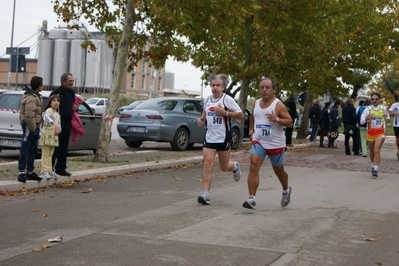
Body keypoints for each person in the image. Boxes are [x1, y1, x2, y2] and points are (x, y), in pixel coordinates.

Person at [242, 77, 292, 210]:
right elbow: (253, 115)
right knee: (254, 165)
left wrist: (277, 119)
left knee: (279, 171)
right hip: (259, 141)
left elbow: (290, 122)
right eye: (262, 87)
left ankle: (286, 190)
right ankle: (251, 198)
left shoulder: (278, 105)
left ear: (273, 90)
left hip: (275, 143)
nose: (264, 90)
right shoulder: (255, 103)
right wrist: (251, 129)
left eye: (267, 87)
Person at [196, 74, 243, 205]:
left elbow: (240, 114)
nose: (215, 88)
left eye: (218, 85)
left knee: (224, 167)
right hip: (209, 137)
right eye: (213, 85)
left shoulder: (227, 100)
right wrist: (201, 120)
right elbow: (205, 113)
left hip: (223, 138)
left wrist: (225, 113)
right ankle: (206, 194)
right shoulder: (207, 100)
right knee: (207, 163)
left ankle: (235, 166)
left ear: (223, 87)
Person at [17, 76, 44, 183]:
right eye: (42, 84)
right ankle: (22, 171)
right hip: (30, 126)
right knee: (25, 147)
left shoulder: (35, 96)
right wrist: (33, 128)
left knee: (33, 148)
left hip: (35, 126)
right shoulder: (32, 98)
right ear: (39, 86)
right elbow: (29, 115)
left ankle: (30, 171)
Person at [50, 73, 77, 177]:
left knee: (64, 148)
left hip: (67, 123)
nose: (72, 83)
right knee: (54, 147)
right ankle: (50, 168)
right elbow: (49, 107)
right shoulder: (56, 93)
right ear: (63, 81)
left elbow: (73, 106)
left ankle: (60, 168)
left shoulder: (72, 93)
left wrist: (75, 108)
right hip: (57, 124)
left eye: (72, 81)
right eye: (70, 81)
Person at [360, 92, 391, 177]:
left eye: (376, 99)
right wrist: (367, 118)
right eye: (372, 99)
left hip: (380, 132)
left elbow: (387, 116)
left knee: (376, 150)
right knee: (372, 151)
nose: (374, 101)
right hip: (370, 133)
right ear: (371, 100)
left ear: (379, 100)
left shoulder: (383, 108)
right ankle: (373, 164)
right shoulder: (368, 109)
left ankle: (376, 169)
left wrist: (388, 122)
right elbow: (361, 121)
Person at [39, 95, 62, 180]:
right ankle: (44, 170)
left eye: (57, 101)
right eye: (54, 101)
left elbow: (59, 124)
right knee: (45, 153)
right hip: (47, 135)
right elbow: (46, 117)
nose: (56, 103)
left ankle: (49, 169)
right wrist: (53, 123)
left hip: (53, 136)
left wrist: (58, 130)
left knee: (50, 154)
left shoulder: (58, 115)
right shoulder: (48, 111)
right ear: (50, 103)